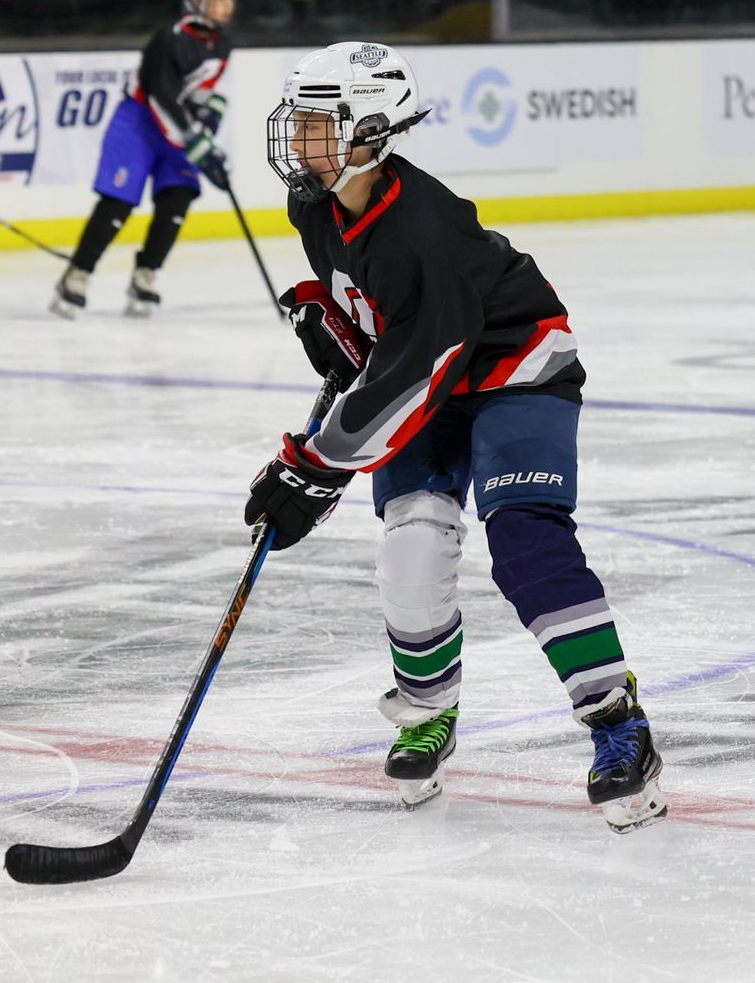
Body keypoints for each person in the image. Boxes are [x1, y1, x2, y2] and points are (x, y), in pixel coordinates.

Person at [245, 41, 666, 832]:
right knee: (411, 546)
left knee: (526, 543)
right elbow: (386, 324)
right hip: (435, 376)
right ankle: (428, 708)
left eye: (315, 124)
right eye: (296, 121)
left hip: (516, 368)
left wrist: (318, 465)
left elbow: (417, 371)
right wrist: (334, 319)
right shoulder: (315, 203)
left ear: (369, 133)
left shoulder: (422, 227)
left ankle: (618, 722)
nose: (297, 140)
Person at [50, 0, 239, 319]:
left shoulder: (223, 42)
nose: (227, 6)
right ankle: (77, 274)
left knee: (178, 197)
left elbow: (213, 93)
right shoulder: (169, 40)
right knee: (118, 201)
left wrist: (208, 126)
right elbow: (160, 99)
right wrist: (198, 146)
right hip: (139, 123)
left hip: (179, 128)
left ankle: (146, 274)